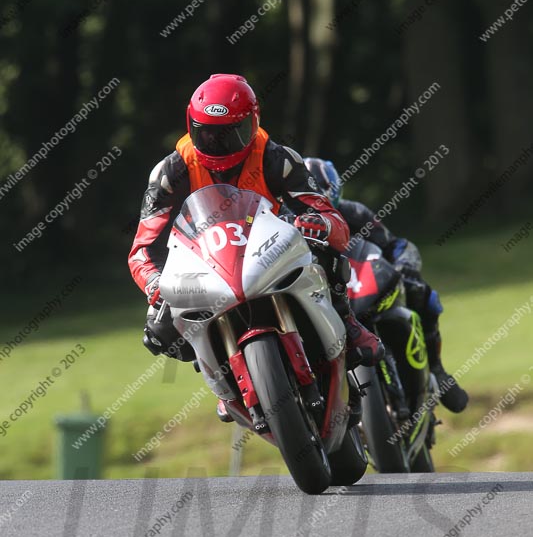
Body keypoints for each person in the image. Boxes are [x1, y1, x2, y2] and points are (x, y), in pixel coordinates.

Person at [128, 74, 384, 421]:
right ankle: (219, 371)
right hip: (204, 262)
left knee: (325, 252)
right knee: (158, 333)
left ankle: (347, 323)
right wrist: (155, 284)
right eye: (207, 133)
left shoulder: (277, 158)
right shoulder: (170, 172)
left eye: (232, 133)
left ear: (254, 123)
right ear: (191, 126)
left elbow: (332, 220)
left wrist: (319, 225)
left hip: (268, 249)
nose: (218, 144)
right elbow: (142, 248)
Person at [303, 157, 468, 414]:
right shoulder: (289, 225)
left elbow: (395, 246)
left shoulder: (354, 214)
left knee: (418, 289)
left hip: (363, 286)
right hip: (321, 299)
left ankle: (437, 368)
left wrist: (405, 264)